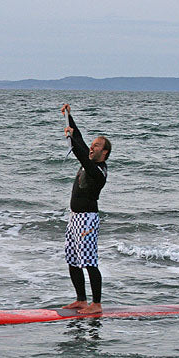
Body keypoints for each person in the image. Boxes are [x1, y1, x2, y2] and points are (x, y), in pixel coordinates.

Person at [60, 104, 111, 315]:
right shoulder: (88, 161)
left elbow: (80, 152)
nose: (92, 147)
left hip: (87, 221)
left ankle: (96, 303)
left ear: (104, 152)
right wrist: (69, 117)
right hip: (74, 218)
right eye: (92, 145)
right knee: (72, 260)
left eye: (96, 146)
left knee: (89, 262)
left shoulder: (98, 171)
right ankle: (81, 300)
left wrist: (71, 139)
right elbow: (80, 141)